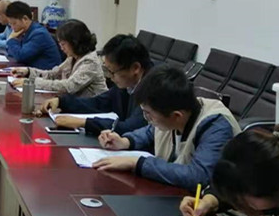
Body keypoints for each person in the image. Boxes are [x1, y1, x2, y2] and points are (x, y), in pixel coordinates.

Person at [91, 64, 240, 190]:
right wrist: (125, 141)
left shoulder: (216, 126)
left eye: (149, 114)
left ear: (176, 116)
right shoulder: (176, 109)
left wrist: (137, 163)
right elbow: (151, 131)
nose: (147, 119)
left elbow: (198, 176)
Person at [38, 33, 153, 135]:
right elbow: (99, 103)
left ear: (135, 68)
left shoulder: (153, 89)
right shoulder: (128, 84)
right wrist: (62, 102)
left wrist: (84, 123)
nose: (110, 77)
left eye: (112, 72)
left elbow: (130, 127)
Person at [10, 19, 106, 97]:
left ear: (75, 43)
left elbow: (69, 86)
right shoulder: (73, 58)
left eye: (63, 44)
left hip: (93, 110)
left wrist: (32, 82)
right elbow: (53, 74)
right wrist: (28, 72)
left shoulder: (90, 62)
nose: (61, 48)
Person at [4, 1, 61, 70]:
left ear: (25, 19)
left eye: (14, 23)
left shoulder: (39, 34)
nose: (12, 27)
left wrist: (11, 39)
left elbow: (21, 56)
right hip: (32, 71)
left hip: (47, 73)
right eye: (10, 24)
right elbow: (12, 53)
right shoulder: (25, 32)